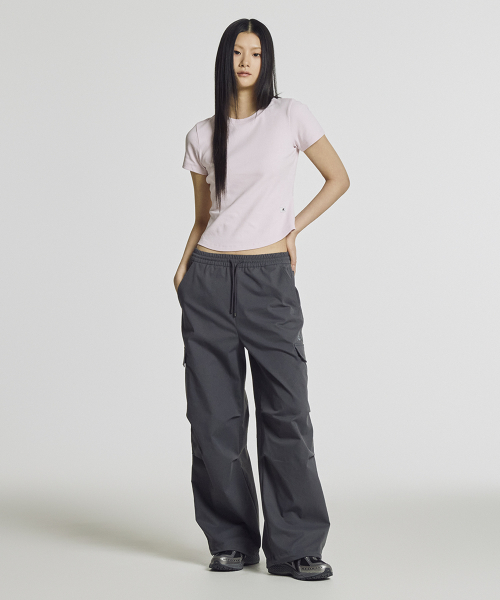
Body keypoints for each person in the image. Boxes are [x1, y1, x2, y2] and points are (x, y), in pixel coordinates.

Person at [174, 18, 350, 581]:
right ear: (224, 59)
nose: (246, 61)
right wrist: (184, 266)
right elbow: (204, 216)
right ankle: (230, 540)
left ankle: (296, 546)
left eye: (255, 52)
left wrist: (292, 229)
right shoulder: (201, 134)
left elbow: (338, 178)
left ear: (266, 60)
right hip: (207, 279)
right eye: (237, 51)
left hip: (268, 279)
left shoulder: (290, 115)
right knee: (213, 419)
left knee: (287, 414)